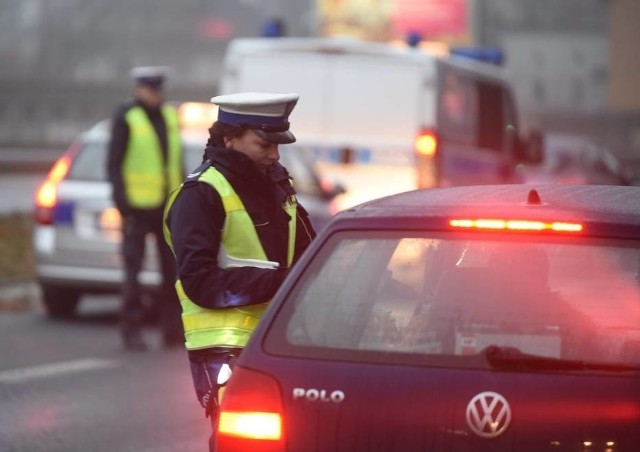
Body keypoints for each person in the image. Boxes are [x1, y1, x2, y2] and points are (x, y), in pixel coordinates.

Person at [163, 92, 316, 451]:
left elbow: (312, 259)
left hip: (280, 341)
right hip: (226, 348)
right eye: (264, 143)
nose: (274, 154)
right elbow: (200, 283)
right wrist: (285, 283)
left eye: (278, 145)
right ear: (229, 138)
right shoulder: (200, 195)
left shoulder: (277, 183)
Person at [107, 66, 185, 351]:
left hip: (166, 209)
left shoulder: (169, 116)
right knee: (133, 273)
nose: (156, 95)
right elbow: (114, 164)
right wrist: (123, 204)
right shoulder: (128, 117)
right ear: (139, 90)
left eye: (159, 90)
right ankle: (132, 331)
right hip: (138, 210)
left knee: (172, 272)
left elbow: (175, 162)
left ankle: (172, 331)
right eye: (151, 90)